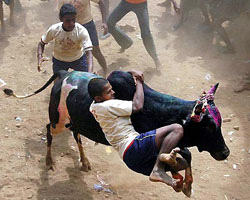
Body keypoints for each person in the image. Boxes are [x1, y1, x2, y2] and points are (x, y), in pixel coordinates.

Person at [88, 70, 185, 188]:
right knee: (177, 129)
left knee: (183, 163)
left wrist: (130, 72)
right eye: (109, 92)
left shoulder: (94, 107)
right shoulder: (108, 106)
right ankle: (158, 169)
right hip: (133, 146)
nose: (113, 92)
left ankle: (167, 165)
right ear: (98, 98)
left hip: (130, 160)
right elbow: (137, 105)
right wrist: (139, 82)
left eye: (111, 89)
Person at [37, 4, 93, 74]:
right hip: (59, 61)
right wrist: (40, 56)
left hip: (78, 59)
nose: (71, 23)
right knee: (58, 83)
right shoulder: (54, 29)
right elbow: (41, 43)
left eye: (73, 20)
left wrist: (89, 73)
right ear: (61, 19)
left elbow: (89, 53)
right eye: (68, 20)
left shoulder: (81, 31)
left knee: (85, 82)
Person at [58, 0, 109, 76]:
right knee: (73, 53)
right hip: (72, 27)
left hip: (87, 24)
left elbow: (100, 2)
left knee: (96, 51)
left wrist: (104, 21)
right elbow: (61, 14)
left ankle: (106, 71)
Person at [107, 0, 161, 69]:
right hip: (126, 2)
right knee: (109, 23)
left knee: (146, 33)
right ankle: (126, 42)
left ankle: (156, 59)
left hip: (141, 4)